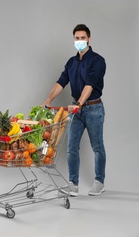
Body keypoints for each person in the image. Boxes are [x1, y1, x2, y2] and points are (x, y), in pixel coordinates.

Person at [42, 24, 106, 196]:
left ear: (89, 39)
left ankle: (99, 182)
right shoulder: (71, 63)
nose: (80, 41)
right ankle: (73, 185)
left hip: (93, 108)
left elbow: (90, 84)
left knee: (97, 146)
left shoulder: (98, 61)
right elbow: (61, 82)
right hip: (75, 110)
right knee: (71, 147)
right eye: (77, 38)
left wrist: (79, 103)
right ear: (73, 40)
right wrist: (48, 100)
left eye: (82, 38)